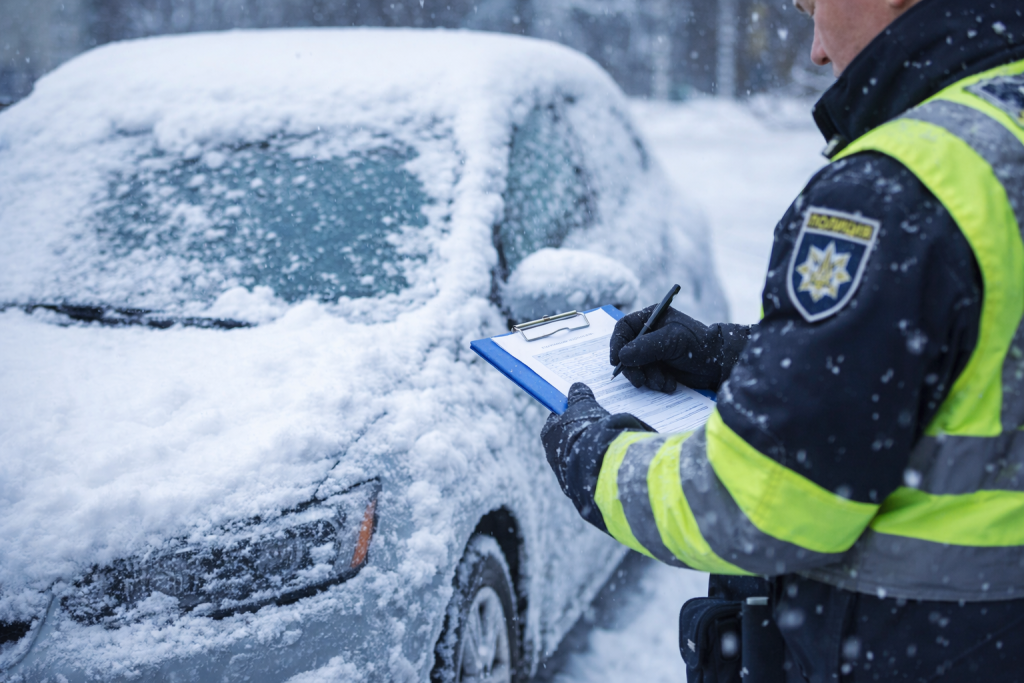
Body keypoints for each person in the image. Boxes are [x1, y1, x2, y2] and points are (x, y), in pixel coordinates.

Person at [540, 0, 1024, 680]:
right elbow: (983, 357)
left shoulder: (900, 185)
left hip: (920, 647)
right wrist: (728, 357)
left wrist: (601, 460)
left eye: (812, 4)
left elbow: (757, 505)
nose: (815, 51)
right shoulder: (1005, 128)